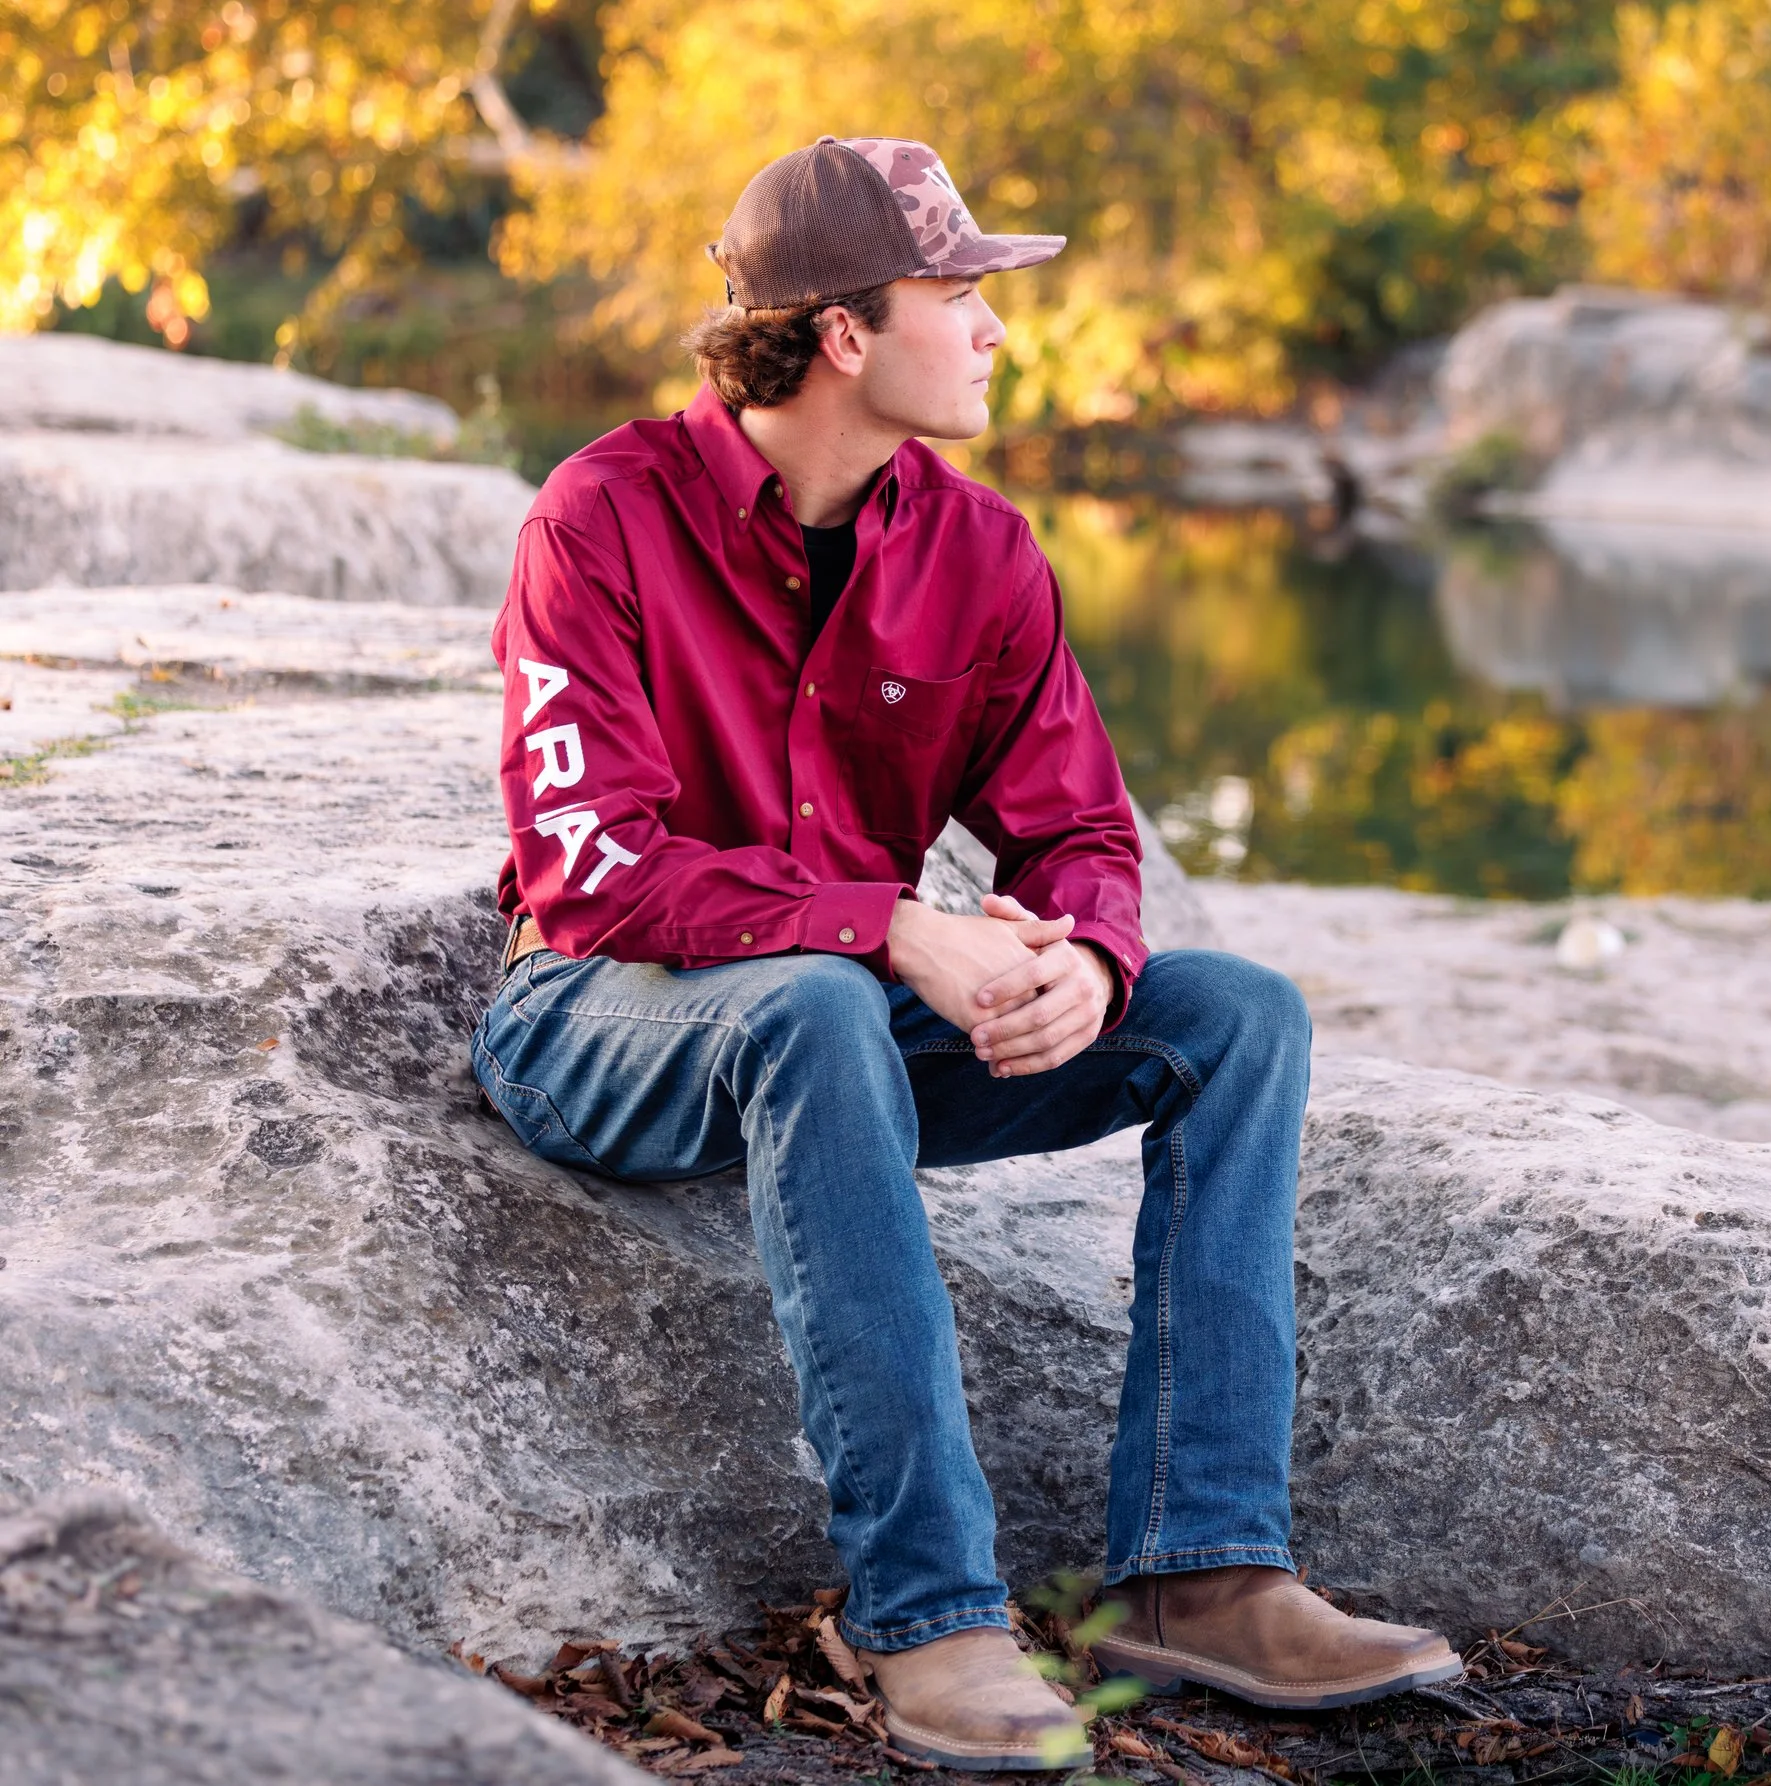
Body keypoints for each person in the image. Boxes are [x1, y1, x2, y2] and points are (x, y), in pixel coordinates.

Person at [468, 136, 1462, 1771]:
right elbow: (595, 873)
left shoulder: (982, 553)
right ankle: (923, 1608)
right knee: (809, 1002)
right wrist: (888, 923)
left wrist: (1091, 957)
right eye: (964, 293)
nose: (999, 326)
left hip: (847, 1028)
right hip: (602, 1019)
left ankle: (1200, 1565)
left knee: (1239, 1018)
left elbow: (1079, 830)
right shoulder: (602, 516)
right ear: (846, 331)